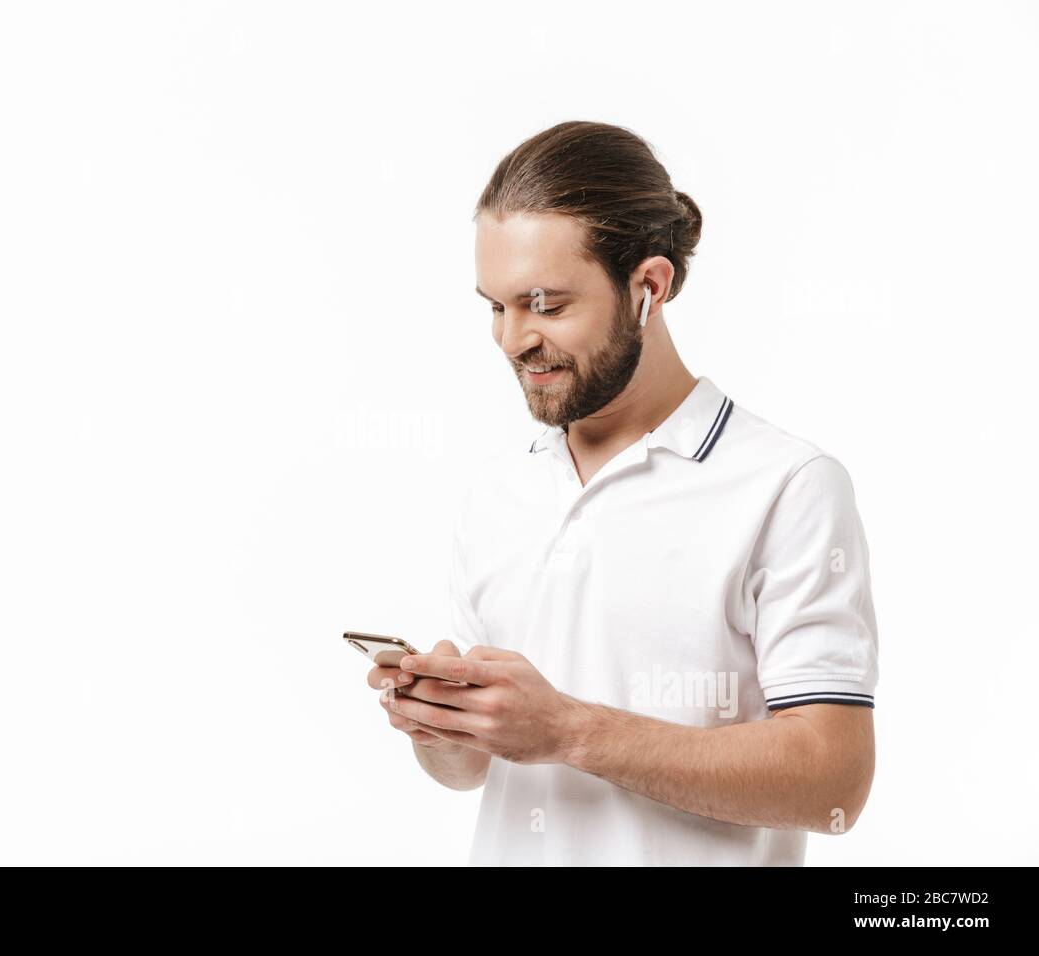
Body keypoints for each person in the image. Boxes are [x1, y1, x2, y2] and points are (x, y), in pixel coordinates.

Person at [366, 121, 878, 865]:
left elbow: (835, 782)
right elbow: (471, 772)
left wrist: (569, 730)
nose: (513, 340)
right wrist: (442, 725)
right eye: (496, 306)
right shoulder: (498, 496)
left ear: (649, 286)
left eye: (545, 304)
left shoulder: (788, 487)